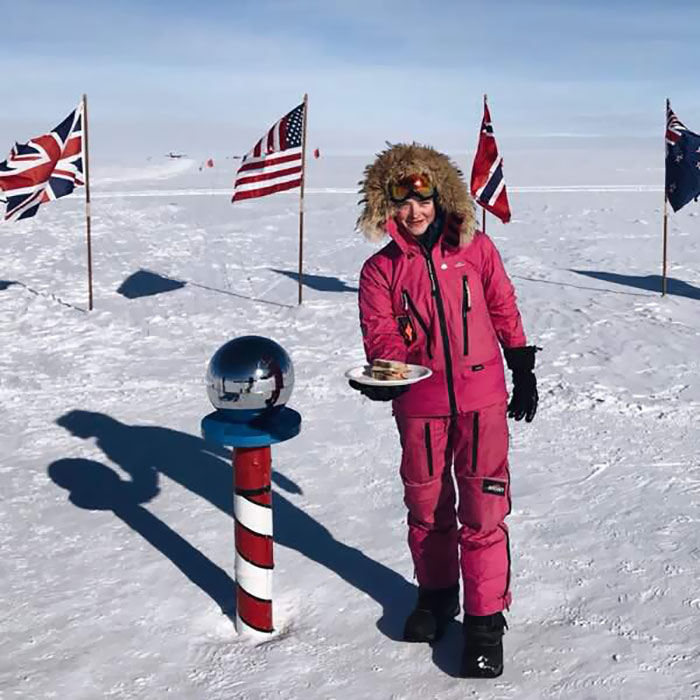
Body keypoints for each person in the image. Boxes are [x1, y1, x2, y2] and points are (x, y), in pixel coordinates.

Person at [349, 143, 539, 678]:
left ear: (441, 195)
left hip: (481, 402)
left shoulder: (476, 251)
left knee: (483, 509)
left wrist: (521, 364)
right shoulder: (379, 270)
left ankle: (483, 619)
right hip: (421, 405)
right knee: (428, 508)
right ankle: (436, 598)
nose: (415, 212)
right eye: (402, 202)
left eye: (424, 198)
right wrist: (386, 377)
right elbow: (381, 333)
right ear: (386, 206)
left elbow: (502, 303)